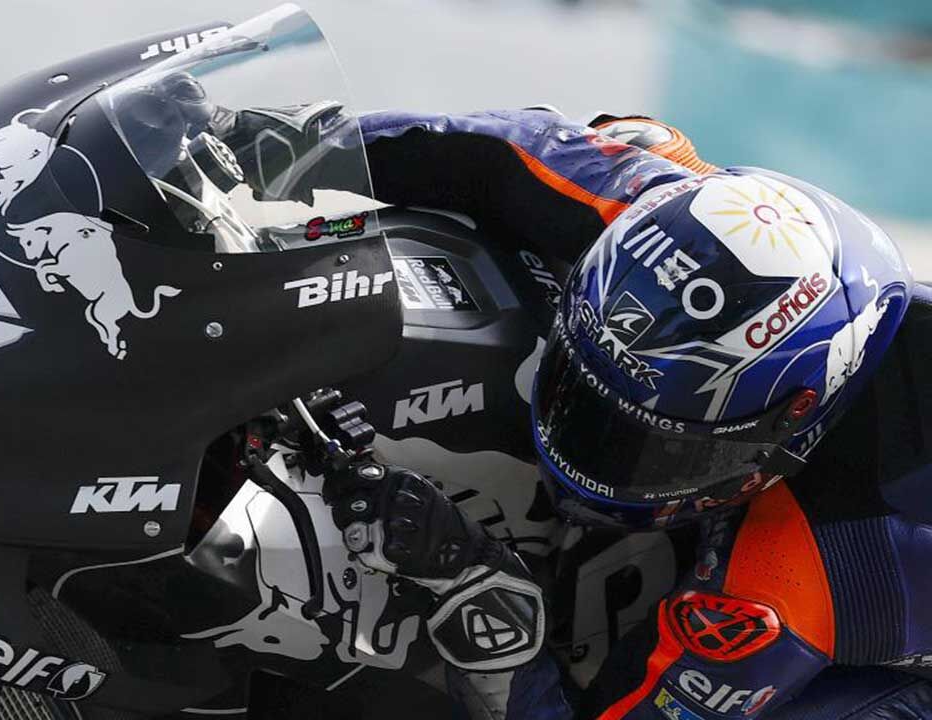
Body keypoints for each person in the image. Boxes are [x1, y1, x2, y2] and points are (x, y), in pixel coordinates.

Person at [340, 106, 932, 719]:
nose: (593, 458)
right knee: (633, 140)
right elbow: (508, 150)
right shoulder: (678, 228)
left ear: (793, 420)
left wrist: (472, 586)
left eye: (671, 448)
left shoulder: (784, 582)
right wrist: (312, 139)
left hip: (879, 640)